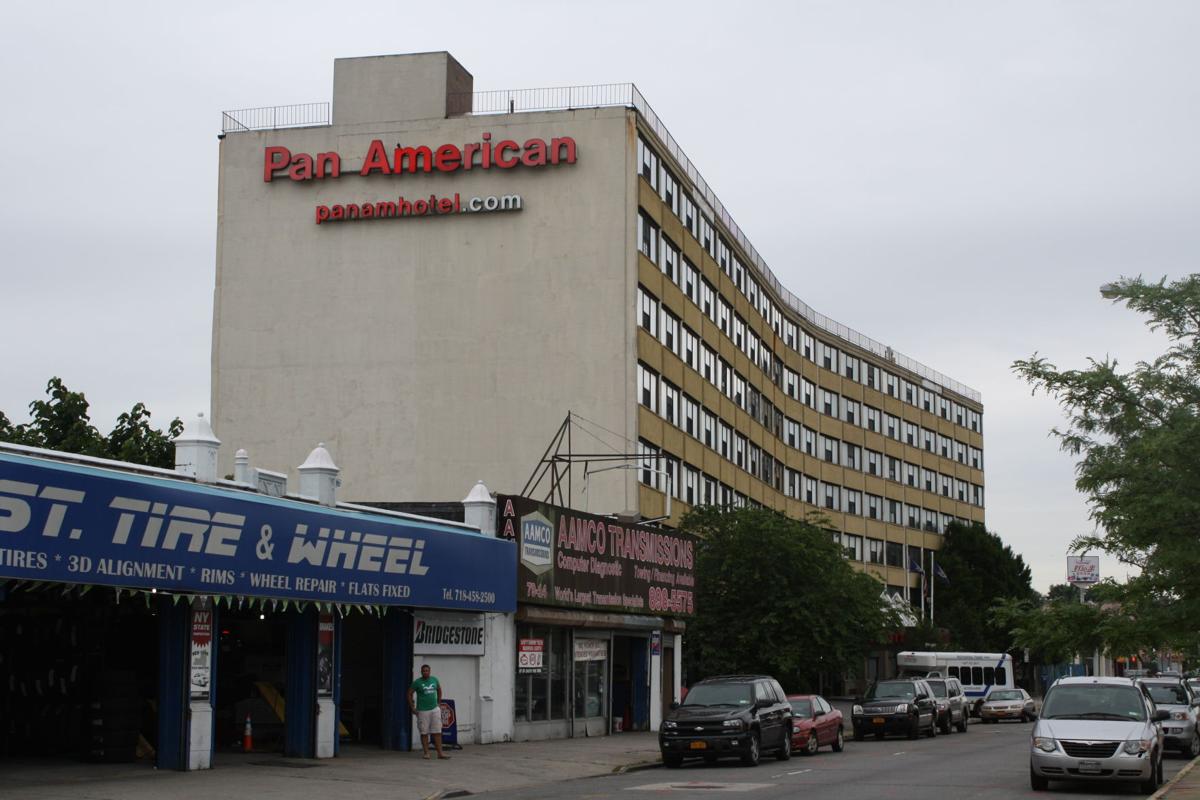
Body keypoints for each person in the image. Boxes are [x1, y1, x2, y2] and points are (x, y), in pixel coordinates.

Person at [408, 664, 449, 760]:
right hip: (422, 711)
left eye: (427, 670)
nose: (425, 672)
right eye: (424, 671)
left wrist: (439, 702)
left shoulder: (434, 679)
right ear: (421, 672)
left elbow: (439, 689)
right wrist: (412, 707)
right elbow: (409, 694)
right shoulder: (417, 682)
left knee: (437, 731)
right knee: (424, 732)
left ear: (430, 671)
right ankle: (426, 753)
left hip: (434, 709)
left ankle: (440, 753)